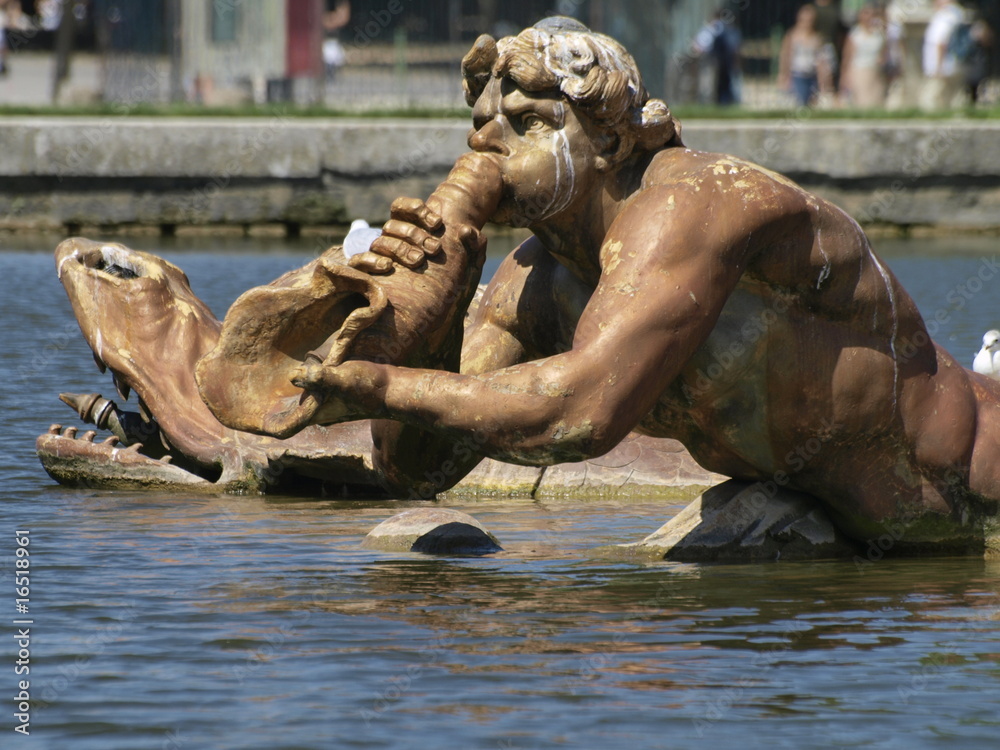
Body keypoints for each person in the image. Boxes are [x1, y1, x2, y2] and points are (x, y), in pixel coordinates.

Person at [296, 17, 1000, 550]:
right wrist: (441, 298)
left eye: (525, 123)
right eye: (481, 128)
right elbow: (417, 469)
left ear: (606, 140)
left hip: (977, 490)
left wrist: (375, 384)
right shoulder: (530, 284)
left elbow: (580, 414)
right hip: (859, 547)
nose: (488, 145)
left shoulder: (690, 205)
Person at [778, 4, 833, 106]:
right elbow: (786, 56)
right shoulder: (792, 35)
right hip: (797, 74)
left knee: (813, 103)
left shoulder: (816, 38)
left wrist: (823, 81)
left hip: (812, 75)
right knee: (801, 102)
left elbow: (820, 60)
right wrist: (784, 75)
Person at [691, 9, 742, 106]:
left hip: (725, 63)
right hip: (710, 62)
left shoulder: (730, 31)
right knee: (707, 87)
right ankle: (708, 105)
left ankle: (728, 103)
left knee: (728, 86)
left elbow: (735, 50)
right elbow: (697, 46)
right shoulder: (708, 31)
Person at [840, 4, 887, 108]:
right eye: (866, 14)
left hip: (875, 72)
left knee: (877, 102)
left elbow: (884, 51)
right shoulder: (855, 34)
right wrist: (845, 76)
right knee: (863, 102)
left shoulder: (878, 33)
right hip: (859, 71)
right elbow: (847, 57)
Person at [921, 0, 966, 110]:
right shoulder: (958, 14)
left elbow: (941, 42)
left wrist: (938, 67)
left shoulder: (946, 16)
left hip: (943, 66)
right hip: (955, 64)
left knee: (930, 101)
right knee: (953, 100)